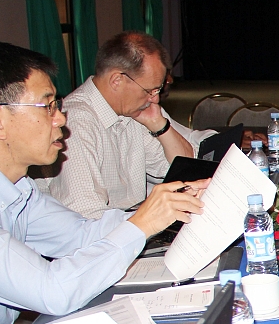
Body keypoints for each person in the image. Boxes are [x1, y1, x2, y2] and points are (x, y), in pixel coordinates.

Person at [0, 42, 207, 324]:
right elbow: (52, 291)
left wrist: (170, 204)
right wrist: (142, 223)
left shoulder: (13, 185)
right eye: (48, 106)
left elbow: (80, 234)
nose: (61, 119)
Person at [39, 31, 196, 219]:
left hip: (128, 224)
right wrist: (148, 223)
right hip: (103, 232)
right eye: (150, 90)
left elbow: (187, 171)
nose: (155, 99)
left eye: (158, 90)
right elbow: (85, 215)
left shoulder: (132, 111)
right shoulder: (76, 123)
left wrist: (160, 125)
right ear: (117, 80)